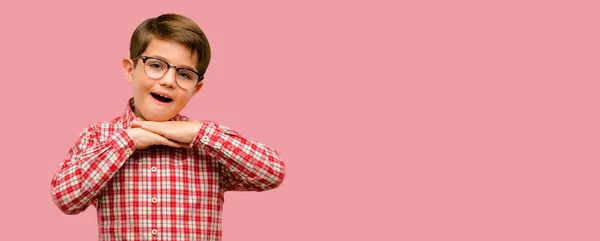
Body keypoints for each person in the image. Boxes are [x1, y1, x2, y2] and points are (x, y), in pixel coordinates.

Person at [50, 13, 286, 240]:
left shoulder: (208, 146)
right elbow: (66, 199)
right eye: (156, 65)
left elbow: (272, 173)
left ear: (196, 88)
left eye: (184, 74)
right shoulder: (99, 136)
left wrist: (199, 132)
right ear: (130, 69)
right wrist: (127, 140)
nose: (169, 81)